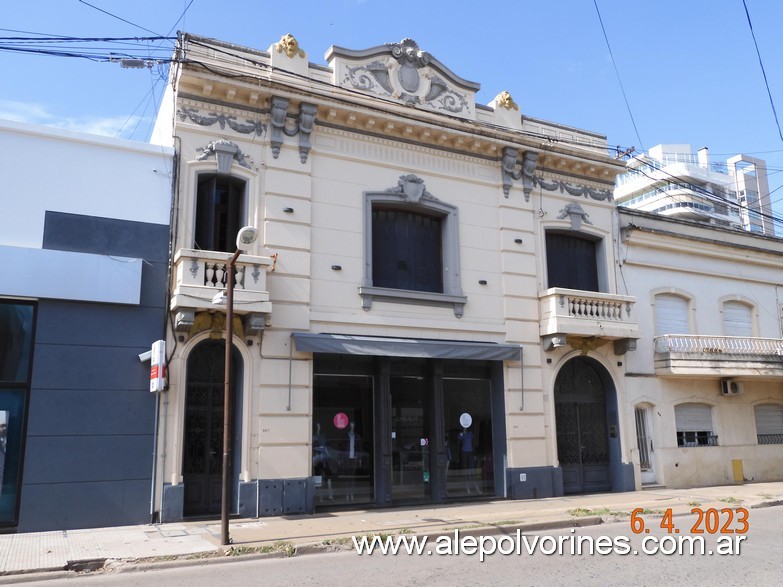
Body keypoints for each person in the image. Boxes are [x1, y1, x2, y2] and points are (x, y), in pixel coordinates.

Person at [312, 423, 333, 500]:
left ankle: (330, 495)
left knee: (328, 476)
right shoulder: (313, 436)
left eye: (319, 426)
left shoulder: (323, 436)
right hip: (317, 458)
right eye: (317, 426)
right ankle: (320, 497)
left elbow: (326, 446)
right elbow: (312, 446)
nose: (318, 427)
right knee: (318, 478)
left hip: (323, 458)